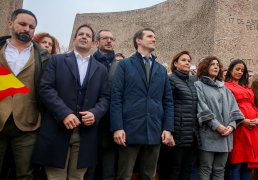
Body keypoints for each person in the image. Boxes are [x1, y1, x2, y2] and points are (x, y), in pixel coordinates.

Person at [32, 24, 110, 180]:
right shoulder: (56, 60)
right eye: (80, 34)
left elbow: (105, 97)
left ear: (94, 43)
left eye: (88, 35)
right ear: (74, 39)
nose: (84, 36)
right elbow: (46, 88)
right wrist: (64, 113)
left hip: (85, 133)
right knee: (55, 177)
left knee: (77, 177)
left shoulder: (101, 69)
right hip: (57, 128)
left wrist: (95, 113)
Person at [110, 28, 175, 180]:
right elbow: (116, 97)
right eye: (150, 36)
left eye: (155, 37)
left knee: (149, 175)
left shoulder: (161, 69)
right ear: (138, 41)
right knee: (124, 175)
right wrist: (117, 127)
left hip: (154, 129)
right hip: (129, 129)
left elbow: (167, 101)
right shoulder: (125, 65)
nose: (154, 39)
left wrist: (167, 128)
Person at [0, 9, 50, 180]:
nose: (27, 29)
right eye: (23, 24)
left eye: (31, 27)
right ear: (10, 23)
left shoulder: (43, 57)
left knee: (25, 175)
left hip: (28, 125)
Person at [194, 56, 244, 180]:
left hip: (226, 135)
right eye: (212, 64)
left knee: (220, 169)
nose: (216, 67)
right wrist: (216, 126)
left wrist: (231, 127)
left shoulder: (224, 88)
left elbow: (235, 110)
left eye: (217, 65)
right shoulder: (198, 85)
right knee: (206, 168)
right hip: (208, 134)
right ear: (205, 67)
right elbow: (202, 107)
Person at [160, 51, 198, 180]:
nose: (187, 62)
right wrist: (168, 130)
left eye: (189, 60)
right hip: (176, 133)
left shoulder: (193, 82)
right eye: (183, 60)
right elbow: (166, 105)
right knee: (173, 171)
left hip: (191, 135)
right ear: (175, 63)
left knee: (186, 170)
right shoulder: (170, 79)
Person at [224, 59, 258, 180]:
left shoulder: (247, 88)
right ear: (230, 70)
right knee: (237, 163)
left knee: (248, 164)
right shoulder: (225, 86)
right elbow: (227, 107)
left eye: (242, 70)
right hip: (238, 128)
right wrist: (242, 120)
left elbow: (254, 105)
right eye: (237, 69)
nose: (240, 72)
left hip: (253, 128)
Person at [90, 29, 118, 180]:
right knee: (89, 169)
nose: (109, 41)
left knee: (108, 172)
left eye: (112, 39)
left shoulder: (120, 65)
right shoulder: (87, 61)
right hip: (90, 121)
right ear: (96, 42)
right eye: (105, 38)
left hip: (110, 123)